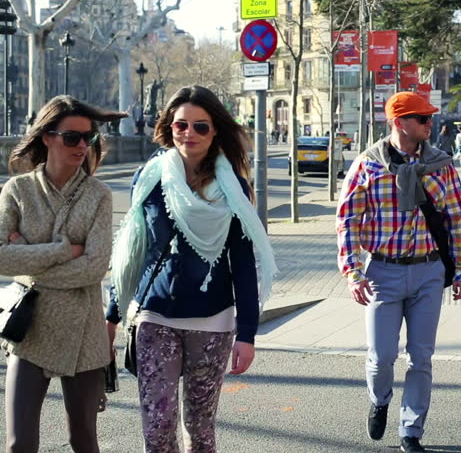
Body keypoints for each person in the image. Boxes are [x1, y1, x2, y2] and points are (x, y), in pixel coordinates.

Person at [106, 85, 279, 452]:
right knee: (157, 427)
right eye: (181, 125)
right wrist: (112, 315)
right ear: (169, 127)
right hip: (155, 317)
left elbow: (243, 264)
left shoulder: (233, 187)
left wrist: (247, 333)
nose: (189, 134)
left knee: (200, 430)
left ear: (215, 130)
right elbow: (132, 250)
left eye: (201, 126)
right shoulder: (149, 179)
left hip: (213, 323)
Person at [336, 91, 461, 453]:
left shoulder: (442, 165)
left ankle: (411, 431)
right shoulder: (369, 164)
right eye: (423, 119)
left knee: (421, 357)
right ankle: (380, 399)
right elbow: (348, 219)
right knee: (381, 356)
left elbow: (457, 218)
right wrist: (352, 270)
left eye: (431, 118)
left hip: (428, 271)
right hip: (383, 271)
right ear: (400, 123)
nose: (432, 124)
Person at [0, 96, 127, 452]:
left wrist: (28, 258)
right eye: (73, 137)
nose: (83, 146)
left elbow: (95, 266)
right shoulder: (18, 190)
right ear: (47, 137)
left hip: (85, 332)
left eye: (89, 138)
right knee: (19, 444)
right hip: (30, 329)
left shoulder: (99, 195)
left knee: (83, 440)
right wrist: (61, 250)